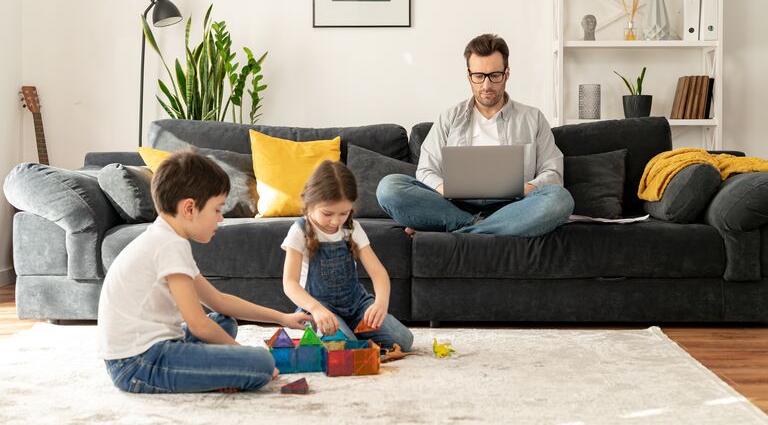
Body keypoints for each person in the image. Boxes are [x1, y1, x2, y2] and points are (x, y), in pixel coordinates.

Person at [97, 152, 311, 394]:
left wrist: (281, 318)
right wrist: (240, 355)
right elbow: (198, 325)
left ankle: (216, 373)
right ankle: (226, 373)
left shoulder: (166, 237)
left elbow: (218, 300)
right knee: (261, 363)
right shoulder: (170, 245)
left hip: (143, 352)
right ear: (189, 208)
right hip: (139, 364)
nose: (220, 219)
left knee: (223, 321)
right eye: (217, 209)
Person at [376, 33, 574, 237]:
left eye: (494, 75)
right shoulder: (450, 117)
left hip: (516, 207)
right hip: (454, 206)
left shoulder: (533, 118)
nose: (486, 86)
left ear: (506, 74)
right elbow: (427, 169)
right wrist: (445, 189)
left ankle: (466, 229)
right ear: (468, 75)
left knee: (560, 199)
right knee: (389, 187)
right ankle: (482, 225)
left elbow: (553, 172)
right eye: (478, 76)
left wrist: (527, 188)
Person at [282, 160, 413, 351]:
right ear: (310, 203)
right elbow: (290, 284)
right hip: (321, 309)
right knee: (345, 349)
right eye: (327, 213)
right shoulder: (299, 231)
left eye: (344, 213)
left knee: (403, 342)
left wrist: (381, 303)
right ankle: (350, 335)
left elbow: (378, 273)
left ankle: (355, 331)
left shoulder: (352, 228)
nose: (335, 221)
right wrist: (316, 309)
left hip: (357, 305)